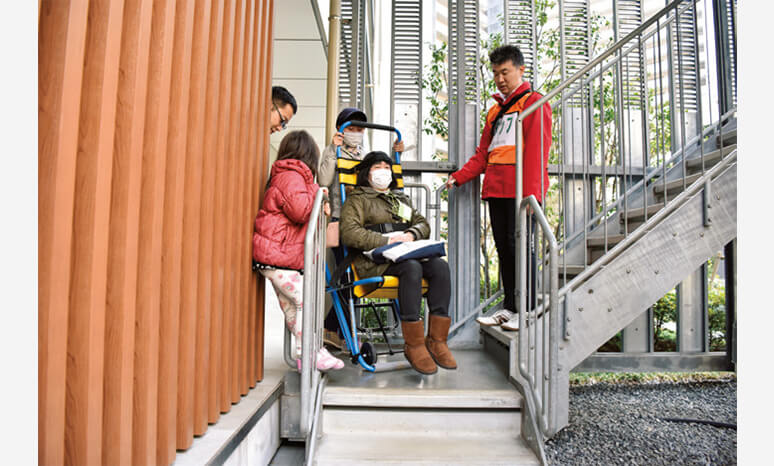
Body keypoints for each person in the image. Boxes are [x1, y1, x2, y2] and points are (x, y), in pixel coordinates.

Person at [445, 45, 551, 330]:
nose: (500, 78)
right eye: (495, 73)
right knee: (504, 249)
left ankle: (527, 309)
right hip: (496, 189)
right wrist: (459, 176)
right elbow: (484, 153)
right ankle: (510, 307)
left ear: (520, 70)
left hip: (520, 192)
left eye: (505, 72)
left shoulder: (534, 103)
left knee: (521, 249)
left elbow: (537, 154)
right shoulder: (495, 111)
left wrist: (532, 197)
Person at [340, 151, 457, 375]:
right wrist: (387, 240)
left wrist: (412, 234)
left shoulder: (399, 200)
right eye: (377, 167)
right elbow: (349, 233)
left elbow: (422, 222)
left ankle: (436, 340)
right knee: (412, 268)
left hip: (405, 253)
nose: (383, 171)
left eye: (387, 166)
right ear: (366, 173)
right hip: (373, 260)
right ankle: (413, 344)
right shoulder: (358, 200)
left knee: (440, 266)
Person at [253, 130, 344, 371]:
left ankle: (309, 355)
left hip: (276, 256)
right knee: (305, 300)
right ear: (309, 155)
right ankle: (311, 353)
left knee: (294, 308)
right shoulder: (291, 176)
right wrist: (319, 194)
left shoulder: (287, 175)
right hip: (278, 257)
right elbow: (300, 210)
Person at [318, 108, 404, 349]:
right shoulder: (333, 152)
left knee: (358, 276)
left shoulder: (366, 156)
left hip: (367, 226)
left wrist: (397, 158)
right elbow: (323, 180)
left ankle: (335, 330)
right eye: (351, 129)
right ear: (341, 131)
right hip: (341, 221)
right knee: (346, 276)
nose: (356, 133)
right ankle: (334, 329)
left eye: (359, 129)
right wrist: (331, 150)